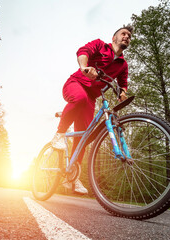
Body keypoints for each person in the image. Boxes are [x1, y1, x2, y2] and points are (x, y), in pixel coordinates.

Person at [51, 25, 133, 194]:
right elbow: (83, 51)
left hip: (91, 98)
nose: (127, 37)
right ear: (114, 38)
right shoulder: (100, 45)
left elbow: (123, 83)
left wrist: (122, 93)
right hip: (75, 84)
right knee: (79, 98)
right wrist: (84, 67)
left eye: (129, 36)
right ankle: (59, 134)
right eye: (123, 34)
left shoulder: (123, 65)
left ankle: (72, 176)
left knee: (84, 137)